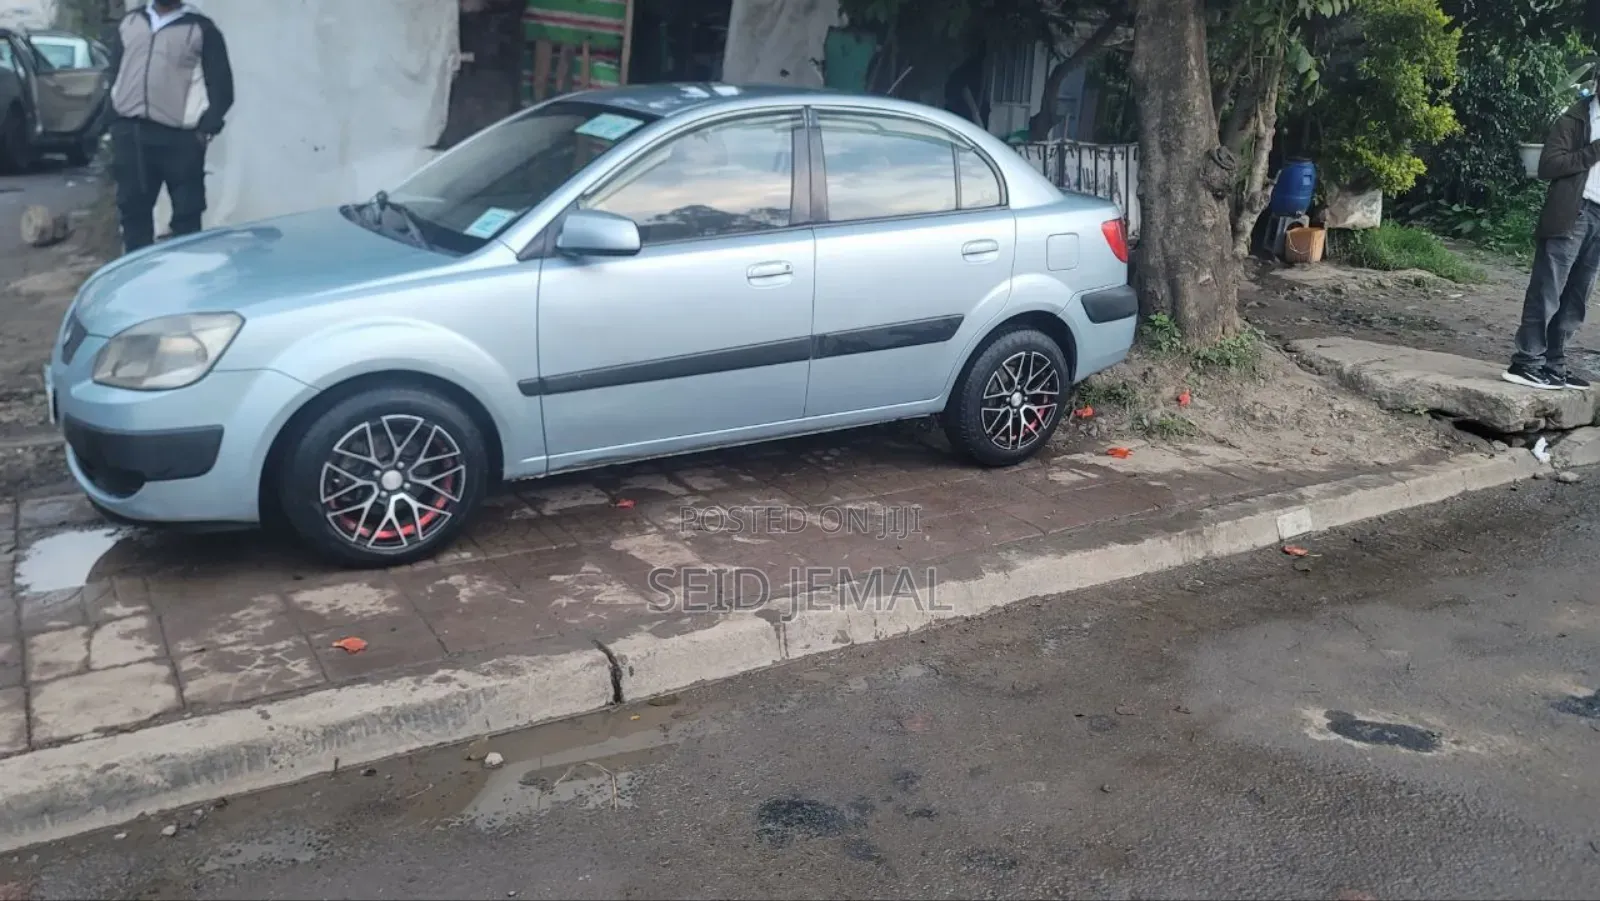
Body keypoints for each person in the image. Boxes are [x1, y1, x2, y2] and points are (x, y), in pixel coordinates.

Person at [103, 1, 234, 255]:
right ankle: (138, 282)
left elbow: (222, 88)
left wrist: (204, 129)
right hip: (133, 135)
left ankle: (185, 281)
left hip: (180, 140)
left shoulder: (201, 29)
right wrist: (114, 122)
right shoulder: (131, 23)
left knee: (187, 216)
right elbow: (114, 73)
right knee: (133, 215)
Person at [1504, 89, 1600, 390]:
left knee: (1577, 297)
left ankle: (1554, 364)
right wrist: (1595, 150)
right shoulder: (1575, 119)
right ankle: (1527, 361)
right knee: (1548, 289)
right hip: (1574, 212)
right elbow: (1548, 166)